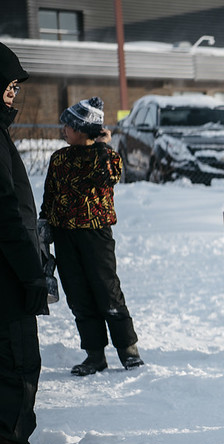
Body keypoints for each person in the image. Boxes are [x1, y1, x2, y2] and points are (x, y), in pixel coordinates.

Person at [39, 96, 144, 376]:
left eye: (69, 126)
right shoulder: (59, 158)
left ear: (82, 130)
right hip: (64, 234)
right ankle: (95, 354)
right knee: (78, 295)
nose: (64, 130)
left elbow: (108, 176)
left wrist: (101, 146)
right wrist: (44, 221)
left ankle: (128, 351)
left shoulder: (107, 156)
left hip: (95, 234)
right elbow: (50, 193)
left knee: (107, 291)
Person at [0, 41, 60, 444]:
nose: (14, 92)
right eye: (8, 83)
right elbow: (5, 211)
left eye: (16, 85)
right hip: (6, 274)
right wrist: (30, 273)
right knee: (18, 362)